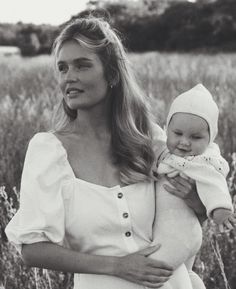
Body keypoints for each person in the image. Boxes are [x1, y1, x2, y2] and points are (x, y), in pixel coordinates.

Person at [5, 14, 205, 289]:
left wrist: (197, 201)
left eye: (82, 65)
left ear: (111, 73)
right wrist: (118, 266)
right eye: (62, 68)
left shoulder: (151, 138)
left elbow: (186, 223)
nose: (69, 78)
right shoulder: (48, 150)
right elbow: (31, 249)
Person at [152, 83, 236, 289]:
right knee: (184, 272)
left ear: (210, 139)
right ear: (166, 129)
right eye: (177, 133)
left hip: (182, 231)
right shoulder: (165, 153)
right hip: (170, 231)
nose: (184, 142)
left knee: (155, 271)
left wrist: (219, 208)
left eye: (195, 137)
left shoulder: (203, 162)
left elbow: (214, 184)